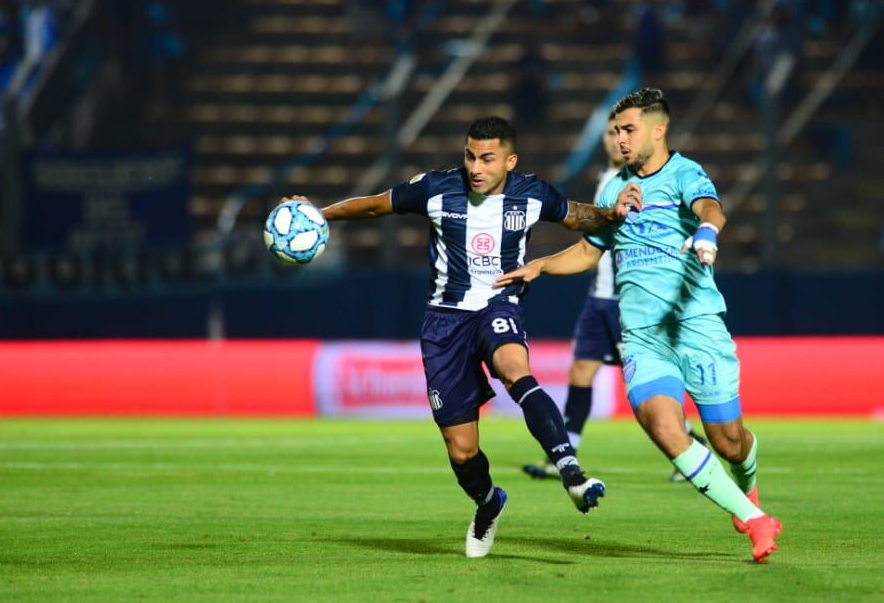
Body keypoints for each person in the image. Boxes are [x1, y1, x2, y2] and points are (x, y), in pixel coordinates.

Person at [285, 117, 642, 559]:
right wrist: (319, 214)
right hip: (444, 323)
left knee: (516, 372)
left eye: (488, 159)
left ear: (510, 161)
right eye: (470, 156)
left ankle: (570, 471)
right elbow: (376, 205)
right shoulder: (436, 188)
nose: (476, 167)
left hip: (498, 305)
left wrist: (612, 213)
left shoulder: (532, 195)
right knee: (461, 449)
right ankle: (488, 502)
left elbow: (578, 218)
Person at [495, 89, 783, 563]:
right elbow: (590, 251)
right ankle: (756, 521)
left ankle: (747, 489)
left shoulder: (684, 175)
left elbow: (711, 209)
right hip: (644, 339)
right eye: (616, 131)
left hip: (696, 327)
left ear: (658, 129)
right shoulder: (613, 190)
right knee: (662, 426)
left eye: (629, 130)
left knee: (730, 442)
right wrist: (542, 264)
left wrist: (707, 232)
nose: (621, 140)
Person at [522, 123, 708, 481]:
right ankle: (566, 451)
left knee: (647, 383)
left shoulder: (639, 181)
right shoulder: (607, 179)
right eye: (609, 134)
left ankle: (689, 446)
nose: (613, 139)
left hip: (627, 300)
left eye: (619, 132)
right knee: (580, 370)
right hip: (599, 297)